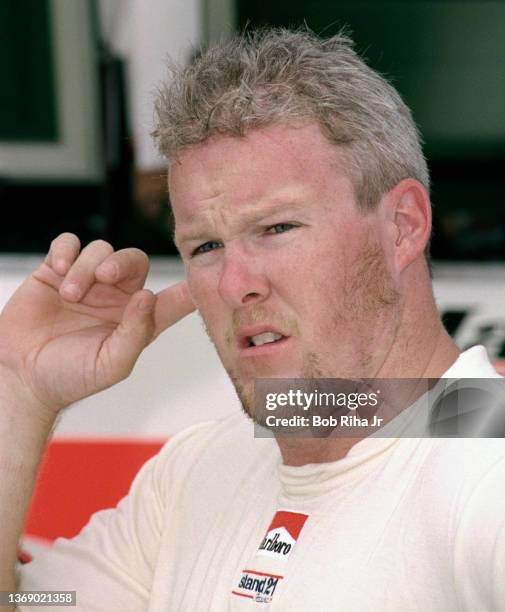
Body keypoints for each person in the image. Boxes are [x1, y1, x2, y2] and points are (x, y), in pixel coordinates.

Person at [1, 28, 504, 610]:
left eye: (277, 229)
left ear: (403, 226)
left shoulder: (485, 463)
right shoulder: (196, 472)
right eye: (205, 246)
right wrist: (18, 388)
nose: (236, 284)